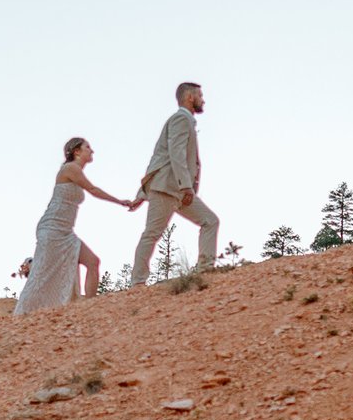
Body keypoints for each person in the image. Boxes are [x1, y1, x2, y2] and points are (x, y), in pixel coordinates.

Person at [14, 137, 140, 315]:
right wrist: (120, 202)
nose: (92, 150)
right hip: (51, 228)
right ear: (77, 151)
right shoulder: (70, 168)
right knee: (41, 275)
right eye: (88, 147)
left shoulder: (75, 171)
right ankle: (22, 315)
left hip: (65, 232)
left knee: (93, 262)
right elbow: (93, 190)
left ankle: (88, 309)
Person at [131, 80, 220, 286]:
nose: (203, 99)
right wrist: (185, 185)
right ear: (190, 97)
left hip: (177, 189)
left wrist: (142, 194)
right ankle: (137, 283)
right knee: (152, 233)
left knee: (210, 221)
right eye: (200, 95)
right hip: (169, 188)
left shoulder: (184, 120)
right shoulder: (181, 119)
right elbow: (175, 154)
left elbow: (158, 156)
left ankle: (206, 269)